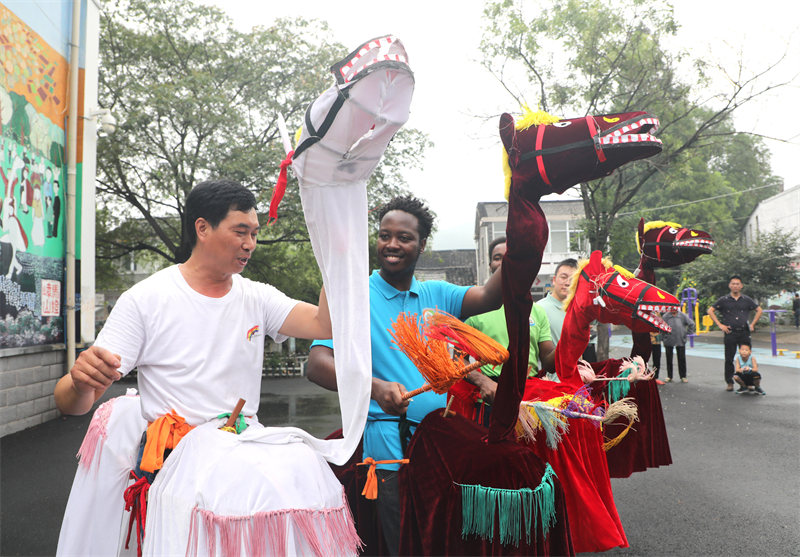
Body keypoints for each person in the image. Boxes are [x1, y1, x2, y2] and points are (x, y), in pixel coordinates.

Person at [306, 195, 503, 555]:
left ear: (422, 244)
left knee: (440, 540)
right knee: (401, 543)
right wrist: (374, 388)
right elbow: (316, 363)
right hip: (387, 448)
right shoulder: (352, 294)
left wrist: (523, 239)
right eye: (385, 235)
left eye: (404, 237)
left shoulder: (436, 294)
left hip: (440, 444)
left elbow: (491, 295)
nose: (392, 245)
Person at [464, 236, 556, 405]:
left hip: (530, 398)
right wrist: (483, 382)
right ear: (491, 265)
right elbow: (455, 358)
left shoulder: (537, 312)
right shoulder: (474, 308)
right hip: (491, 399)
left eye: (510, 256)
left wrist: (574, 331)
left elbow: (549, 363)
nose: (504, 262)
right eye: (497, 258)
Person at [707, 275, 763, 391]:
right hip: (730, 333)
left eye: (737, 284)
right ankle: (729, 382)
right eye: (733, 283)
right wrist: (720, 325)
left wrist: (752, 324)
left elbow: (759, 310)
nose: (735, 286)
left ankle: (748, 382)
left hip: (744, 333)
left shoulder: (746, 299)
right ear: (729, 285)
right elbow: (710, 310)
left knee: (746, 357)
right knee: (729, 359)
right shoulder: (724, 300)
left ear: (741, 286)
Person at [537, 257, 596, 361]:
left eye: (573, 279)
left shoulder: (580, 310)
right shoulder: (539, 309)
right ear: (554, 280)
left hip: (579, 374)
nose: (568, 283)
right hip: (550, 376)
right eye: (563, 277)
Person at [660, 307, 695, 383]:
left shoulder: (682, 315)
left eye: (674, 308)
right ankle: (669, 376)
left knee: (682, 359)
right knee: (669, 359)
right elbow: (661, 328)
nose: (673, 309)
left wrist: (687, 333)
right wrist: (663, 338)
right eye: (671, 308)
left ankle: (683, 376)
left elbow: (691, 324)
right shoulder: (665, 316)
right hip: (669, 340)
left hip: (680, 340)